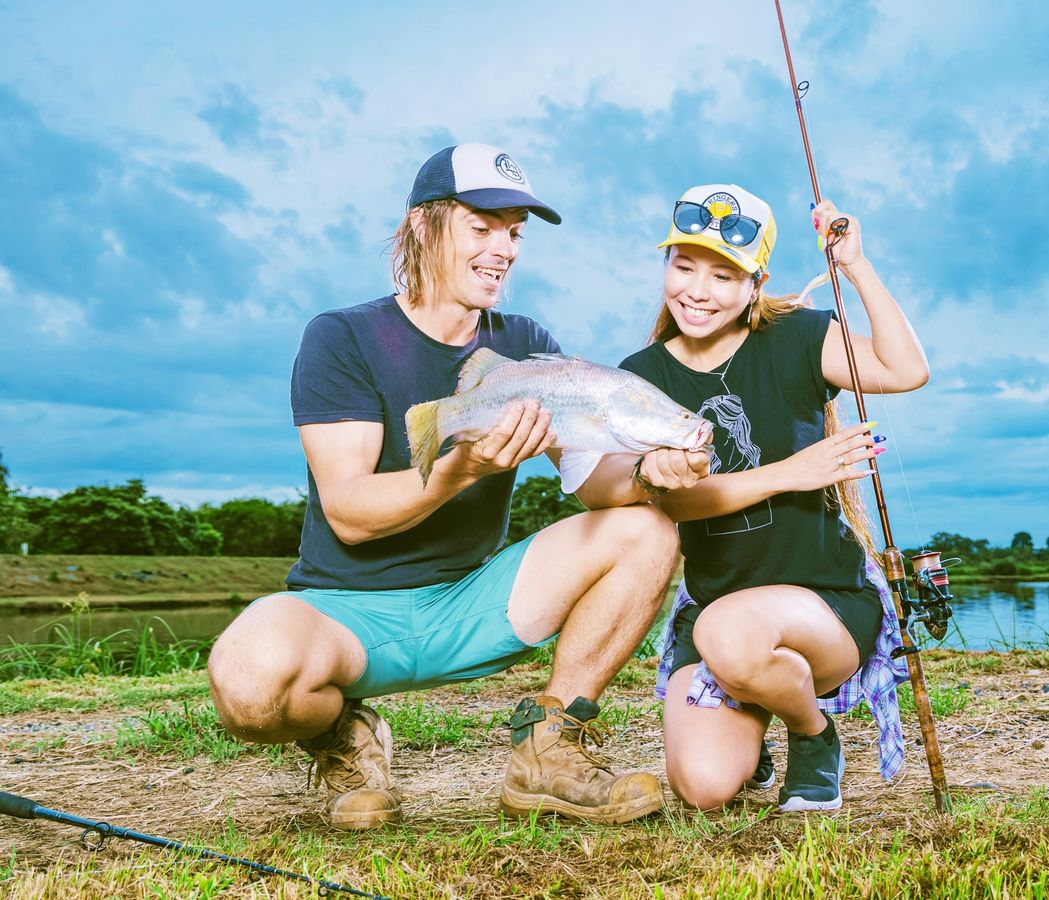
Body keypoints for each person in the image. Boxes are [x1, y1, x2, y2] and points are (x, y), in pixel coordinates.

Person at [207, 144, 678, 830]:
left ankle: (548, 748)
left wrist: (647, 474)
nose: (503, 250)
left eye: (514, 233)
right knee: (248, 682)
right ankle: (344, 736)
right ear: (421, 226)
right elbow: (349, 514)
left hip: (470, 603)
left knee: (647, 529)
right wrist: (462, 468)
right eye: (481, 227)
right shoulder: (341, 336)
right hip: (346, 615)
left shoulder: (524, 341)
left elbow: (592, 484)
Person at [566, 183, 928, 811]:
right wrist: (790, 473)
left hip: (824, 606)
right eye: (684, 267)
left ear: (755, 285)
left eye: (723, 275)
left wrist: (856, 265)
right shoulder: (642, 374)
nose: (698, 291)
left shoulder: (799, 336)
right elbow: (672, 503)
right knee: (703, 788)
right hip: (715, 609)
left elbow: (905, 371)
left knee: (731, 632)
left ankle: (812, 733)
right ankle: (754, 710)